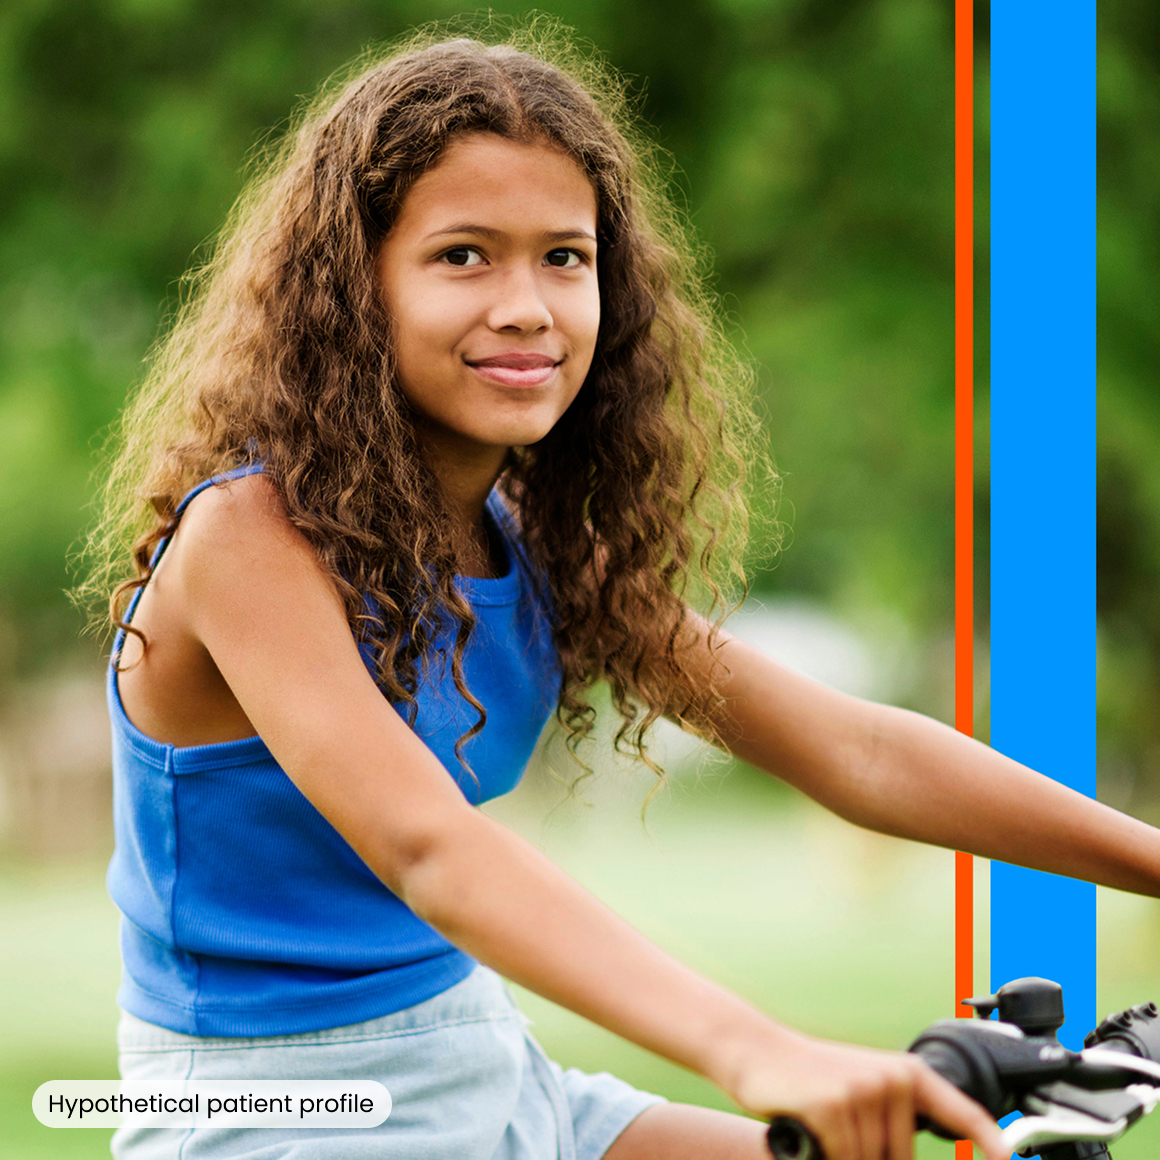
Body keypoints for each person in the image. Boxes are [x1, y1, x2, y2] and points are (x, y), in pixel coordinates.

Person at [78, 30, 1160, 1160]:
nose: (528, 306)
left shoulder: (532, 543)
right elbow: (428, 848)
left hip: (483, 1063)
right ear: (352, 291)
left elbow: (857, 753)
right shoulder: (247, 536)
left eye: (563, 256)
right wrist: (759, 1050)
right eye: (461, 256)